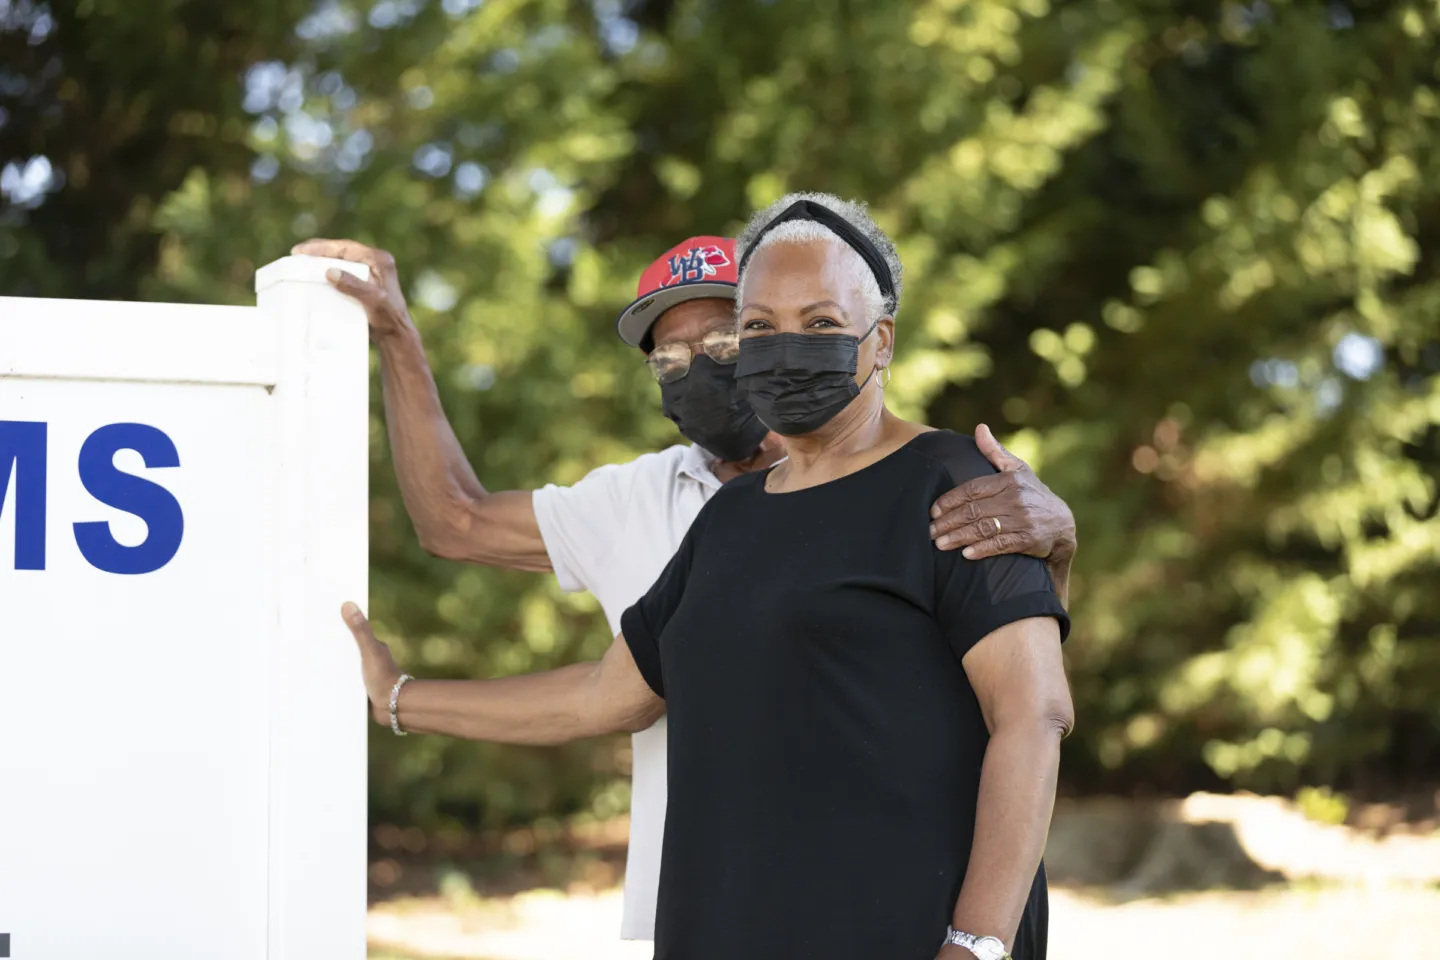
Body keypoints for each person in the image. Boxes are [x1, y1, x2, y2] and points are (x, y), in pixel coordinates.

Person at [296, 220, 1077, 945]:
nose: (703, 367)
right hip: (721, 916)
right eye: (671, 357)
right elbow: (601, 689)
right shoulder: (693, 512)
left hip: (896, 919)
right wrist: (400, 698)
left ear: (876, 339)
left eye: (728, 337)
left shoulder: (949, 483)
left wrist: (977, 944)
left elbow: (1029, 706)